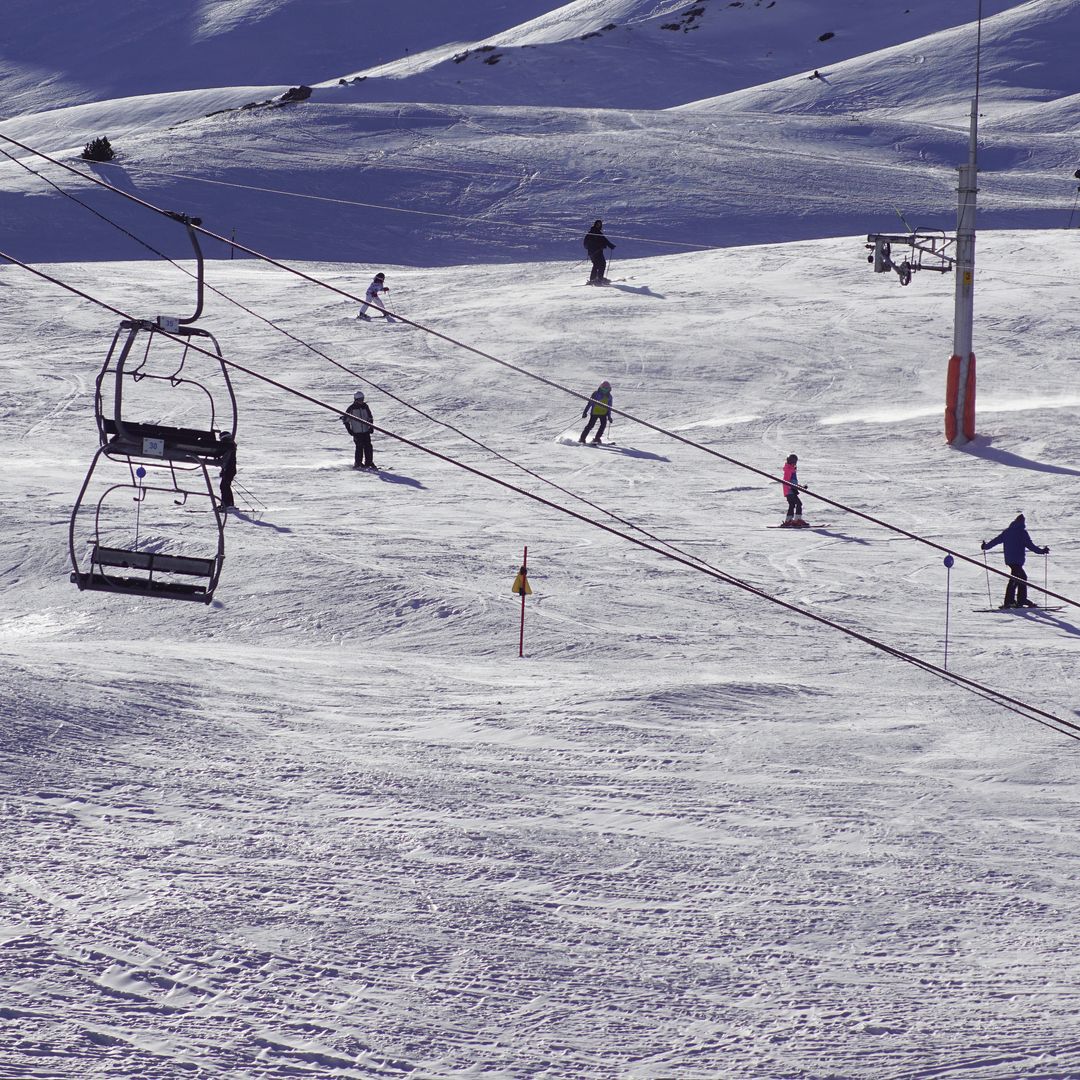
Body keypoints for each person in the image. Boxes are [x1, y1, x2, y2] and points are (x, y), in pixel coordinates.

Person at [981, 513, 1049, 608]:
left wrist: (986, 546)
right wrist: (1042, 551)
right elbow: (1031, 546)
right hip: (1017, 560)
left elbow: (996, 541)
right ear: (1022, 522)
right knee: (1017, 579)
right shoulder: (1022, 532)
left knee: (1020, 578)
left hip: (1010, 560)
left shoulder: (1008, 531)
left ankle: (1018, 600)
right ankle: (1012, 601)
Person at [342, 390, 376, 469]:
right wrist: (349, 430)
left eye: (362, 399)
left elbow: (370, 417)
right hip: (357, 432)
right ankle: (358, 463)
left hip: (365, 431)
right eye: (360, 400)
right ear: (356, 400)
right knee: (359, 447)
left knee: (368, 447)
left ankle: (369, 462)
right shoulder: (351, 408)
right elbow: (345, 419)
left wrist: (371, 427)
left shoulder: (365, 406)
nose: (361, 401)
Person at [583, 219, 615, 285]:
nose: (599, 225)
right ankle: (597, 279)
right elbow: (586, 244)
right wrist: (598, 246)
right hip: (594, 252)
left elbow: (605, 240)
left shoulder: (599, 233)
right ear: (595, 224)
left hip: (598, 252)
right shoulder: (592, 233)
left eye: (600, 224)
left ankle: (597, 278)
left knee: (599, 264)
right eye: (597, 224)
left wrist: (610, 245)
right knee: (599, 264)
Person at [781, 453, 806, 526]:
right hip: (790, 491)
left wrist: (800, 487)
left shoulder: (790, 469)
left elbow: (792, 482)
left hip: (789, 491)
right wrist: (792, 488)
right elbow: (787, 481)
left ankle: (788, 521)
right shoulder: (789, 469)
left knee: (791, 505)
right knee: (799, 503)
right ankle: (797, 520)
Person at [218, 431, 237, 511]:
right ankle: (225, 503)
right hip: (228, 469)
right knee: (224, 486)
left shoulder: (230, 446)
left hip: (230, 469)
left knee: (225, 486)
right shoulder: (230, 445)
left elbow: (226, 459)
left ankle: (228, 504)